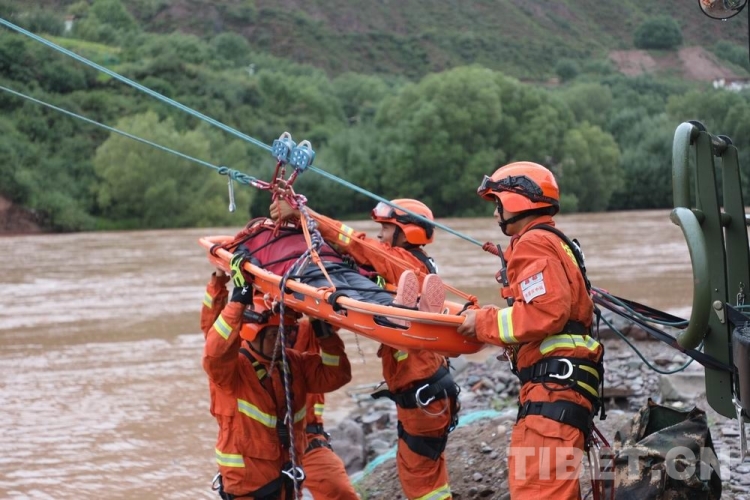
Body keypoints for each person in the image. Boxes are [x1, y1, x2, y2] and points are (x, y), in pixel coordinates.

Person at [271, 197, 459, 500]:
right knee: (429, 476)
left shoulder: (401, 261)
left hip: (421, 392)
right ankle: (404, 309)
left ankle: (404, 311)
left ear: (405, 232)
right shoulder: (417, 266)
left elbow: (356, 242)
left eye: (386, 228)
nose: (380, 235)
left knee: (422, 482)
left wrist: (305, 214)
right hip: (433, 388)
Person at [456, 161, 604, 499]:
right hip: (562, 391)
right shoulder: (552, 241)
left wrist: (482, 322)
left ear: (518, 200)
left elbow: (546, 313)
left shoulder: (534, 243)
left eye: (498, 204)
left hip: (552, 394)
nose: (495, 214)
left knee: (538, 490)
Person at [201, 257, 353, 500]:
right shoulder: (232, 371)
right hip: (250, 485)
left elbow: (337, 374)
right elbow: (215, 345)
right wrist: (234, 295)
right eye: (274, 335)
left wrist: (324, 332)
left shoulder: (294, 361)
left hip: (291, 466)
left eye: (284, 333)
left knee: (340, 491)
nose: (281, 341)